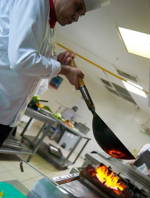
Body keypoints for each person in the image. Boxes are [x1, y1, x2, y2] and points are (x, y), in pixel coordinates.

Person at [0, 0, 109, 147]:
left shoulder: (48, 24)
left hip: (6, 113)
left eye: (81, 15)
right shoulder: (34, 3)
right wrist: (65, 70)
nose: (76, 18)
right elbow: (22, 59)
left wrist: (57, 61)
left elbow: (33, 63)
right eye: (77, 8)